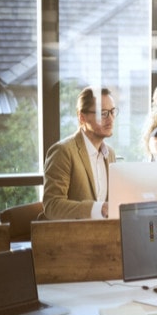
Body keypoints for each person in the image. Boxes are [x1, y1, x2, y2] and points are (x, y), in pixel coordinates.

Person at [41, 87, 118, 220]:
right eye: (103, 113)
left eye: (112, 112)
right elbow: (52, 206)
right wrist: (98, 208)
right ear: (82, 117)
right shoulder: (63, 151)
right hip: (72, 237)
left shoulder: (110, 153)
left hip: (104, 236)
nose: (110, 119)